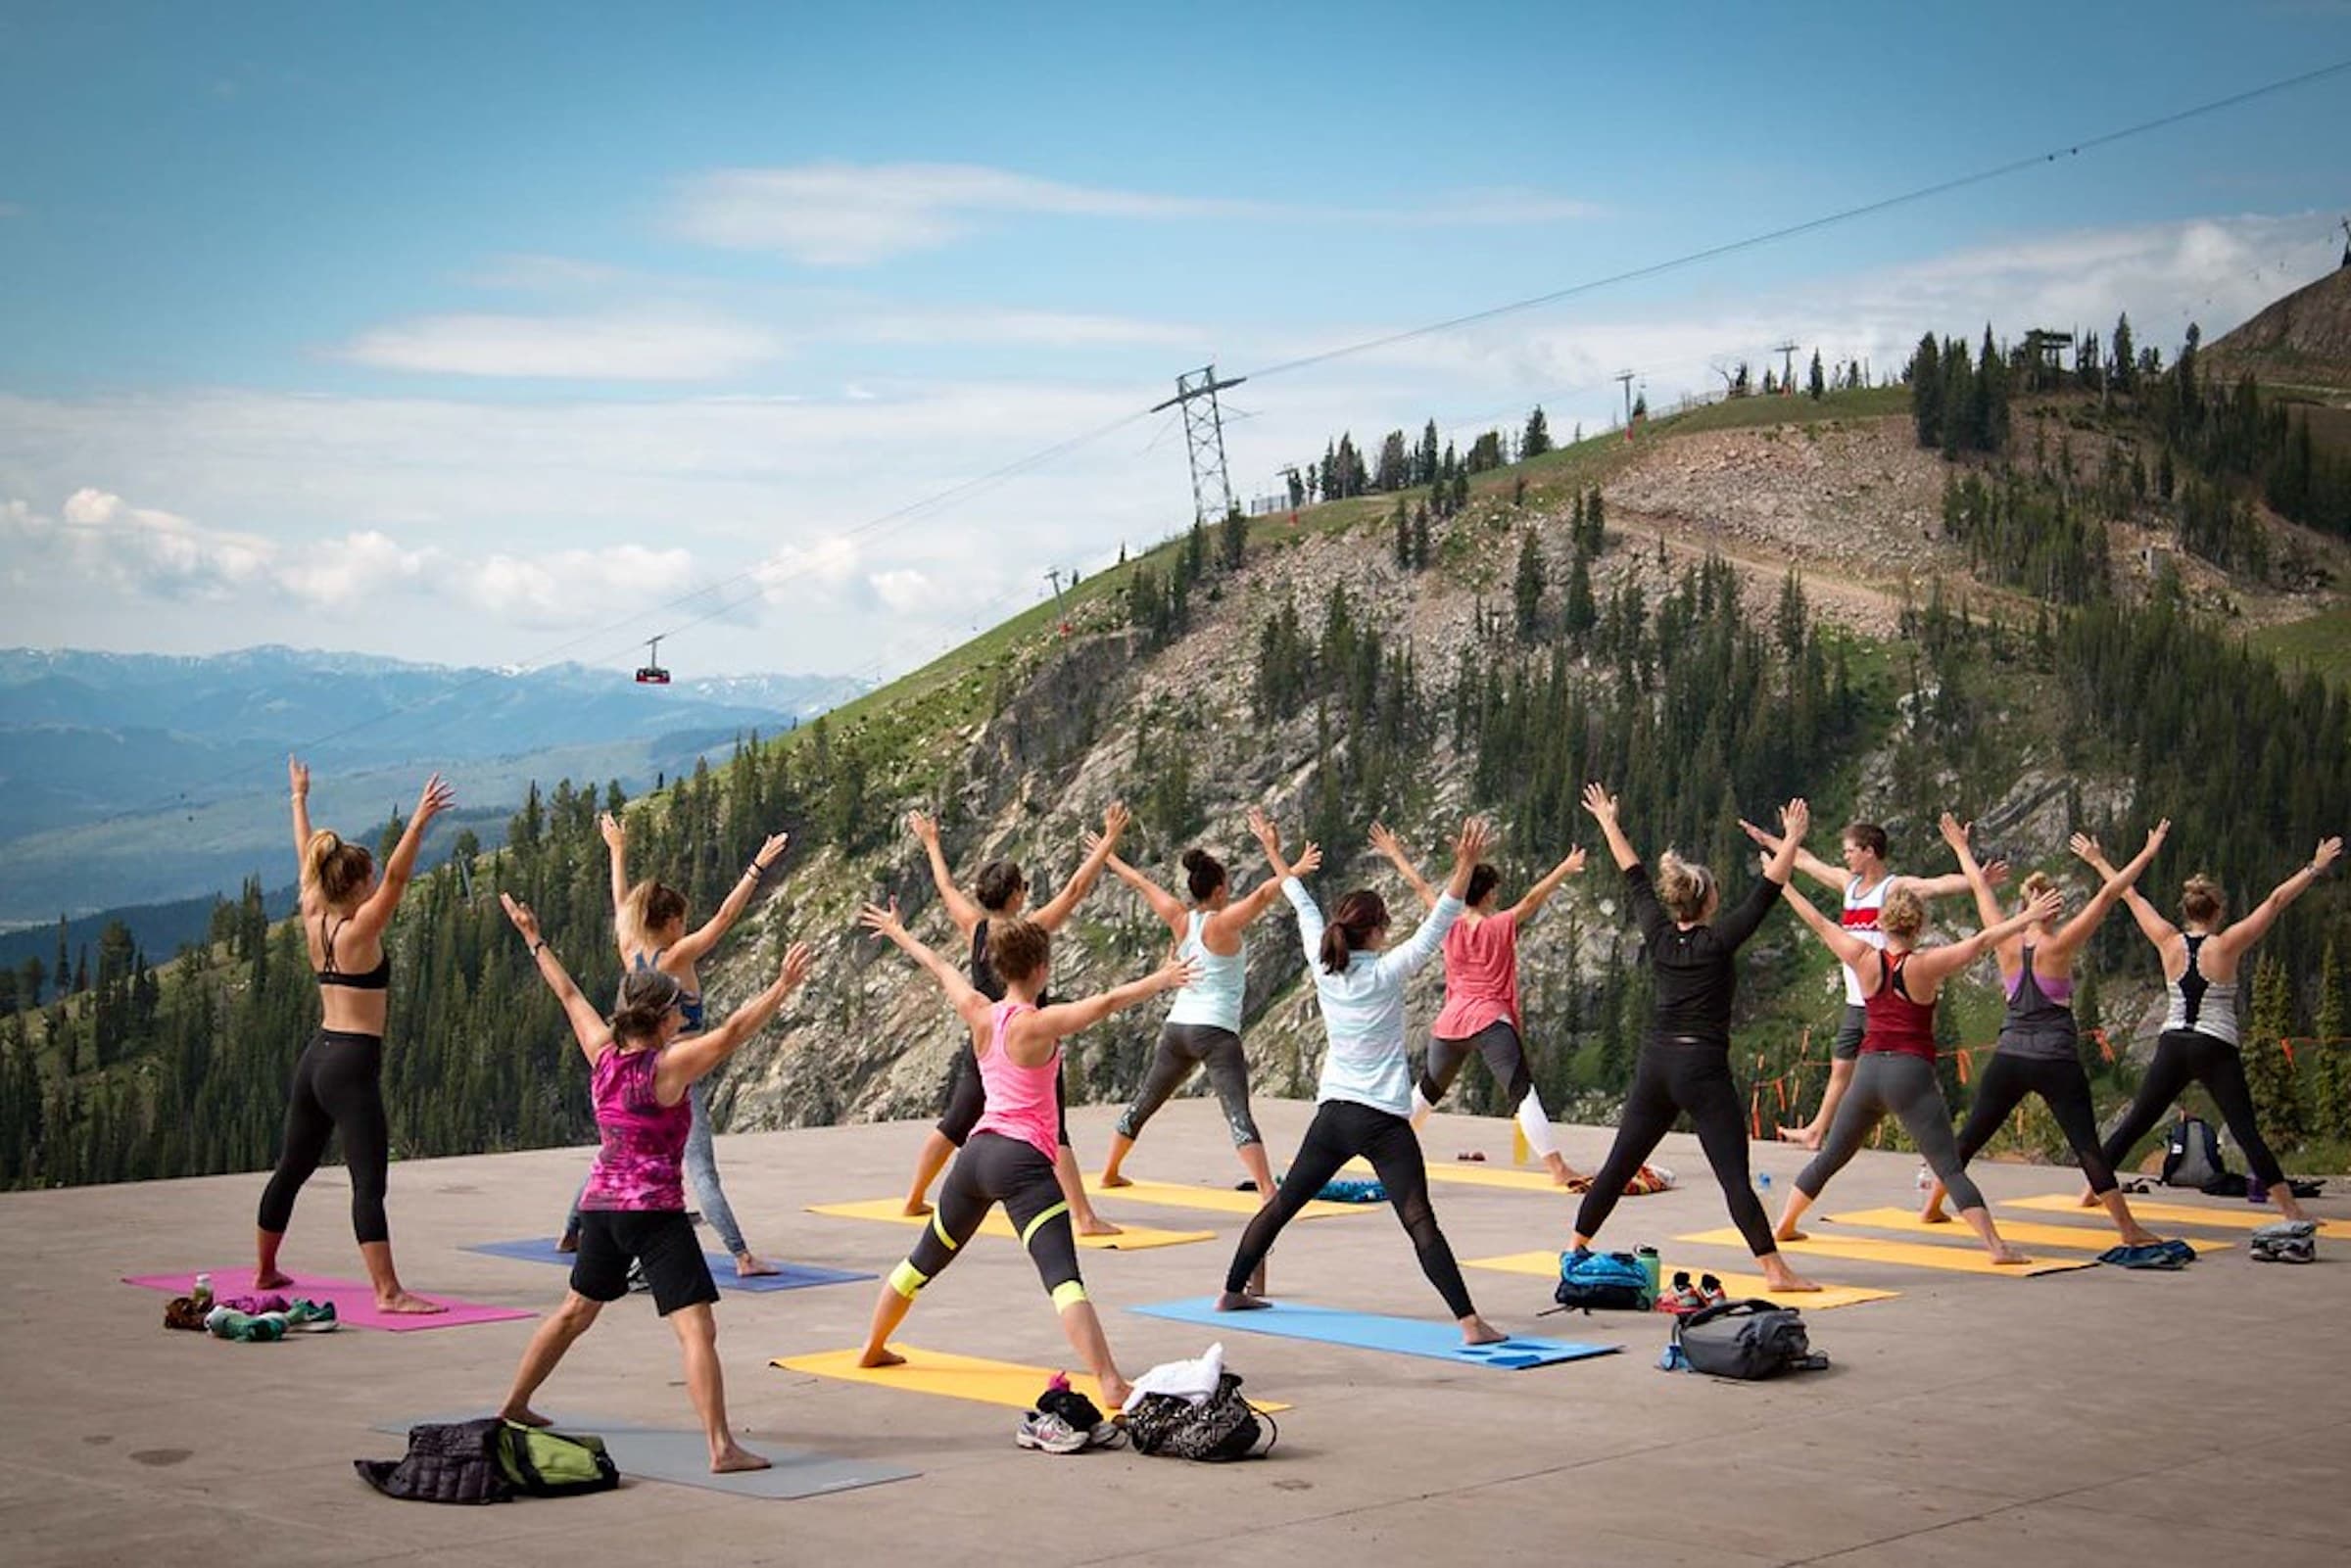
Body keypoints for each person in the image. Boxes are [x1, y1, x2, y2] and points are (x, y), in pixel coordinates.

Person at [496, 894, 812, 1473]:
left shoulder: (603, 1054)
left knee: (574, 1311)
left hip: (600, 1208)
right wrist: (782, 987)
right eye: (676, 1011)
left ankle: (514, 1404)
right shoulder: (669, 1066)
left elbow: (567, 993)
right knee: (696, 1329)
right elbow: (737, 1030)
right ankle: (721, 1447)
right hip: (655, 1214)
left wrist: (533, 936)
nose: (679, 1018)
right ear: (665, 1018)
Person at [853, 899, 1196, 1412]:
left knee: (920, 1262)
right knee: (1063, 1280)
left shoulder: (980, 1013)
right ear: (1040, 970)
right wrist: (1161, 979)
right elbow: (1103, 1004)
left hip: (973, 1160)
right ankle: (1108, 1381)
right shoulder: (1038, 1024)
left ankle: (872, 1347)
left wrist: (901, 933)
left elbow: (940, 967)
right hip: (1021, 1164)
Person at [1219, 811, 1507, 1345]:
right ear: (1374, 932)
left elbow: (1299, 900)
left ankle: (1231, 1289)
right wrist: (1464, 864)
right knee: (1419, 1219)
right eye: (1386, 925)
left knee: (1282, 1204)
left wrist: (1273, 849)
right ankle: (1470, 1323)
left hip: (1334, 1115)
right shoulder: (1386, 969)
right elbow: (1441, 920)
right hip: (1381, 1123)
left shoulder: (1322, 961)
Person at [1771, 822, 2063, 1264]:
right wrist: (2028, 916)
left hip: (1867, 1071)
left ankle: (1784, 1226)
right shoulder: (1926, 965)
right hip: (1911, 1073)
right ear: (1919, 924)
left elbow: (1819, 921)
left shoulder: (1863, 958)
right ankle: (1996, 1247)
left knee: (1830, 1156)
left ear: (1882, 922)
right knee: (1948, 1165)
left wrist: (1782, 884)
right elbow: (1985, 939)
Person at [1570, 784, 1818, 1292]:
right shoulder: (1720, 940)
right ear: (1706, 901)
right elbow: (1768, 889)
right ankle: (1775, 1271)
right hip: (1702, 1069)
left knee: (1618, 1166)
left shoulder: (1660, 936)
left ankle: (1574, 1249)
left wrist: (1608, 822)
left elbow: (1634, 875)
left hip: (1657, 1065)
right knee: (1732, 1178)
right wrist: (1791, 838)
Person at [256, 757, 454, 1313]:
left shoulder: (313, 913)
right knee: (368, 1182)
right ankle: (388, 1292)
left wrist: (299, 799)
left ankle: (265, 1269)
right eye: (367, 880)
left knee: (292, 1168)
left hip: (315, 1057)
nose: (374, 885)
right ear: (358, 887)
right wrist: (419, 821)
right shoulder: (359, 931)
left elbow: (305, 859)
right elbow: (397, 878)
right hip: (351, 1065)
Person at [556, 811, 791, 1277]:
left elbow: (621, 903)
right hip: (678, 1068)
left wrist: (617, 851)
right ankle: (741, 1254)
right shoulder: (675, 954)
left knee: (616, 1150)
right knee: (701, 1167)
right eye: (682, 919)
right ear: (668, 923)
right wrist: (756, 868)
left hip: (634, 1067)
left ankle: (572, 1227)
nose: (686, 926)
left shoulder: (631, 947)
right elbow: (724, 919)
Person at [1921, 816, 2169, 1245]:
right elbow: (2110, 894)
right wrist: (2144, 853)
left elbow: (1981, 890)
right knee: (2087, 1145)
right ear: (2053, 909)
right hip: (2055, 1058)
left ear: (2022, 908)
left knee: (1971, 1136)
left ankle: (1932, 1206)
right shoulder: (2062, 943)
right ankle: (2127, 1229)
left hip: (2011, 1056)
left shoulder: (2005, 941)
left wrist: (1961, 847)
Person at [897, 804, 1128, 1236]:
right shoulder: (1030, 931)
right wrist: (1109, 840)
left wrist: (931, 842)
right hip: (1026, 1041)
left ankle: (913, 1197)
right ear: (1017, 897)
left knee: (956, 1122)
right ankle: (1083, 1217)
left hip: (984, 1038)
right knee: (1054, 1128)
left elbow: (945, 887)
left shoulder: (976, 928)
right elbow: (1076, 889)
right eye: (1023, 886)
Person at [2089, 833, 2341, 1222]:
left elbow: (2130, 896)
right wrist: (2314, 866)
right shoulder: (2225, 945)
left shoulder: (2167, 940)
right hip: (2214, 1044)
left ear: (2187, 909)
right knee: (2245, 1130)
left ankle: (2090, 1191)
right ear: (2218, 910)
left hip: (2173, 1042)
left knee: (2136, 1121)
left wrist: (2098, 860)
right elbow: (2274, 901)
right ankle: (2291, 1210)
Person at [1740, 815, 2006, 1149]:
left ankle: (1934, 1141)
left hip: (1884, 997)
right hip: (1856, 997)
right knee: (1842, 1065)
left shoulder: (1892, 888)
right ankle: (1817, 1130)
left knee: (1905, 1069)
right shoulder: (1847, 884)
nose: (1845, 857)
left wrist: (1976, 881)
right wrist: (1767, 838)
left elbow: (1933, 885)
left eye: (1850, 850)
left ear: (1869, 852)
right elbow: (1806, 861)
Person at [1367, 820, 1590, 1188]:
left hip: (1451, 1024)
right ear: (1487, 895)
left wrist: (1394, 852)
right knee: (1522, 1094)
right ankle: (1557, 1169)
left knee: (1425, 1095)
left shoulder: (1446, 922)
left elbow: (1419, 884)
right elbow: (1533, 899)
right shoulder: (1499, 924)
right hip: (1489, 1021)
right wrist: (1564, 869)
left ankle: (1390, 1160)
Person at [1097, 830, 1307, 1199]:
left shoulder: (1180, 918)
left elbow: (1141, 883)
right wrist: (1291, 866)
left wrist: (1108, 854)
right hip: (1216, 1031)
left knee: (1144, 1101)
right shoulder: (1222, 924)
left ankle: (1110, 1171)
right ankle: (1266, 1190)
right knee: (1237, 1114)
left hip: (1178, 1028)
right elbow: (1262, 895)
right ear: (1221, 890)